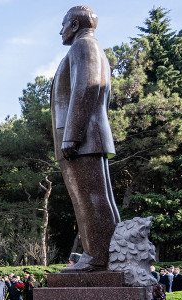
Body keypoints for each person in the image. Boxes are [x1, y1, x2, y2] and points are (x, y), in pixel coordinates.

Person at [54, 6, 120, 272]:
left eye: (63, 24)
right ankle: (105, 253)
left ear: (74, 24)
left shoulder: (84, 46)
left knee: (90, 198)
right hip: (87, 137)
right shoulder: (89, 47)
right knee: (96, 197)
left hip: (82, 139)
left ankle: (97, 256)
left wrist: (71, 136)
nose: (60, 31)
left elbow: (87, 88)